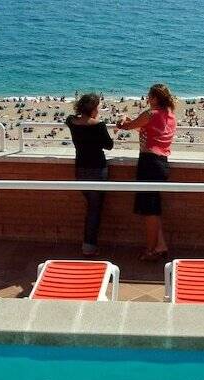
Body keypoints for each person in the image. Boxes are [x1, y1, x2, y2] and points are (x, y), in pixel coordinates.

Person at [117, 84, 177, 261]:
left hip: (149, 163)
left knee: (149, 211)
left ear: (155, 98)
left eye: (149, 96)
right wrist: (132, 123)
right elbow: (149, 130)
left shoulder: (150, 113)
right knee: (153, 208)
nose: (147, 99)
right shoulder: (170, 115)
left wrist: (122, 118)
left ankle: (151, 250)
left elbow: (125, 126)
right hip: (162, 163)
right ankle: (160, 245)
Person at [66, 93, 114, 256]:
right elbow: (109, 145)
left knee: (91, 207)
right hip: (97, 169)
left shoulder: (71, 121)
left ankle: (89, 245)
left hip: (80, 169)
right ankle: (88, 247)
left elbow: (72, 118)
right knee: (94, 209)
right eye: (98, 107)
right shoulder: (98, 125)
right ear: (93, 109)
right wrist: (97, 121)